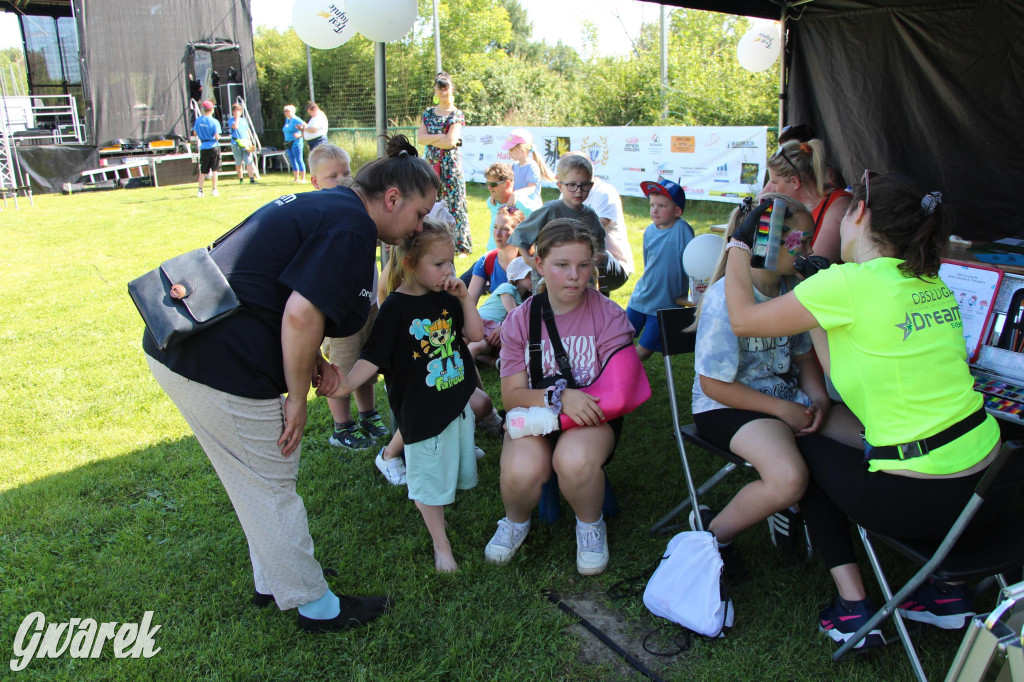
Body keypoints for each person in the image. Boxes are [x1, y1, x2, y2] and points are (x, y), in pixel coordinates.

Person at [142, 134, 438, 632]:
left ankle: (275, 578)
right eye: (419, 213)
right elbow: (300, 314)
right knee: (272, 480)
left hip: (187, 344)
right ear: (392, 198)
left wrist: (316, 358)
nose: (420, 226)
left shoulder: (332, 204)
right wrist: (297, 399)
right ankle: (313, 603)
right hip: (216, 361)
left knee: (252, 478)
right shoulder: (350, 227)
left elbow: (282, 292)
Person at [723, 172, 1002, 649]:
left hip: (924, 500)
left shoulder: (850, 283)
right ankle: (947, 595)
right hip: (987, 486)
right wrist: (815, 309)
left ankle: (854, 607)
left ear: (858, 214)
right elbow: (847, 385)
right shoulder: (929, 280)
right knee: (841, 436)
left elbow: (743, 320)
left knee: (802, 451)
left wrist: (735, 246)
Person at [689, 194, 863, 560]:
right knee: (788, 479)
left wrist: (816, 398)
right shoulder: (725, 298)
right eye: (802, 239)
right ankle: (711, 536)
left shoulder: (792, 290)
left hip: (789, 400)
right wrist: (783, 411)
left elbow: (803, 357)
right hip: (725, 405)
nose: (811, 248)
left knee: (873, 437)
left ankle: (828, 514)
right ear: (766, 241)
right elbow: (713, 385)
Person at [320, 220, 483, 572]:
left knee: (446, 474)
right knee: (427, 483)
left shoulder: (448, 296)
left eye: (451, 262)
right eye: (438, 264)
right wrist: (347, 384)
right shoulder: (395, 308)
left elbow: (474, 333)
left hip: (455, 405)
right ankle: (442, 546)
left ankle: (438, 517)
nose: (448, 270)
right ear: (410, 264)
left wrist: (464, 297)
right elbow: (373, 355)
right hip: (422, 415)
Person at [484, 219, 635, 576]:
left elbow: (621, 387)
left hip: (594, 416)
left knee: (575, 459)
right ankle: (516, 521)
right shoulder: (521, 320)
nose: (574, 276)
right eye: (562, 265)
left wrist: (577, 403)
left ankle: (589, 524)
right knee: (522, 469)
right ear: (539, 265)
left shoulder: (608, 314)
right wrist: (561, 397)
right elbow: (511, 397)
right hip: (538, 413)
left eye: (584, 265)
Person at [308, 144, 388, 451]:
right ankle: (341, 426)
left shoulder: (358, 208)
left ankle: (368, 414)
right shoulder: (321, 214)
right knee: (340, 368)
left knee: (367, 363)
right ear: (315, 182)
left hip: (367, 305)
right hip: (340, 312)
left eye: (346, 172)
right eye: (332, 176)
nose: (342, 179)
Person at [508, 154, 607, 291]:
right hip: (548, 280)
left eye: (583, 185)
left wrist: (593, 260)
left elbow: (600, 245)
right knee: (547, 310)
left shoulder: (590, 215)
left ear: (591, 186)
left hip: (580, 280)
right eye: (571, 185)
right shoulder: (550, 210)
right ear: (560, 186)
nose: (578, 191)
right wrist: (528, 259)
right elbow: (520, 234)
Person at [626, 178, 694, 360]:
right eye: (652, 205)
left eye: (662, 206)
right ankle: (613, 374)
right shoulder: (648, 231)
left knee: (644, 350)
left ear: (677, 211)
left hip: (665, 305)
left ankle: (625, 371)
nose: (654, 210)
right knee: (619, 340)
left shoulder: (683, 230)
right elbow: (649, 262)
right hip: (640, 299)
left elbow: (693, 263)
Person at [763, 139, 851, 263]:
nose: (774, 190)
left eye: (775, 183)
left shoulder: (838, 206)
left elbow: (814, 268)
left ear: (794, 182)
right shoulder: (793, 208)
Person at [418, 72, 471, 255]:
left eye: (445, 87)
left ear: (451, 89)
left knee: (454, 203)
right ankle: (431, 236)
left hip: (450, 166)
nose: (443, 91)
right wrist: (442, 136)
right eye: (439, 88)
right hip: (431, 163)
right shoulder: (428, 113)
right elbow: (420, 138)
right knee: (431, 200)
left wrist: (432, 139)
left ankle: (459, 245)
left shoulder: (456, 114)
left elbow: (451, 142)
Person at [468, 256, 532, 366]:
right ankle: (461, 372)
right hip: (480, 324)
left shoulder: (521, 299)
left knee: (478, 347)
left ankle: (493, 362)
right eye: (528, 274)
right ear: (516, 277)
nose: (532, 277)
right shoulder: (507, 288)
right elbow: (514, 315)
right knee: (469, 345)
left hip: (492, 331)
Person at [467, 205, 526, 305]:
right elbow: (470, 304)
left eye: (504, 228)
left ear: (518, 232)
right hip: (495, 320)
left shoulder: (530, 262)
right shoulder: (487, 261)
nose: (497, 234)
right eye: (495, 227)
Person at [482, 163, 533, 251]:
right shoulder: (491, 203)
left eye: (493, 184)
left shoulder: (522, 204)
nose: (489, 188)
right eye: (488, 183)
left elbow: (541, 225)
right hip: (492, 254)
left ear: (508, 184)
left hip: (514, 257)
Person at [502, 128, 555, 212]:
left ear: (521, 149)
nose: (509, 153)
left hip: (530, 209)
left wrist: (516, 194)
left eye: (511, 150)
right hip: (518, 207)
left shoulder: (531, 166)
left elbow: (531, 188)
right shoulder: (514, 166)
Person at [192, 100, 221, 198]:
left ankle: (200, 190)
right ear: (212, 109)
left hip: (203, 146)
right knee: (215, 169)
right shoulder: (214, 121)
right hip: (213, 146)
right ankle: (214, 189)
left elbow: (195, 133)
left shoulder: (199, 120)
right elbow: (217, 136)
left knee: (203, 170)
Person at [227, 103, 257, 185]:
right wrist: (236, 118)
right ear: (233, 112)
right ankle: (241, 179)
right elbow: (235, 127)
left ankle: (251, 179)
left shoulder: (244, 120)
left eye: (239, 111)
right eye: (235, 111)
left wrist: (250, 141)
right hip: (236, 143)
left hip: (245, 142)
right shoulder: (231, 120)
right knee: (238, 161)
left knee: (248, 161)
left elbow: (247, 131)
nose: (237, 112)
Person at [282, 104, 306, 183]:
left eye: (287, 111)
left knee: (299, 159)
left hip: (296, 143)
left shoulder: (296, 119)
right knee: (292, 160)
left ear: (293, 111)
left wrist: (300, 135)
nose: (286, 112)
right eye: (285, 111)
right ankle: (296, 178)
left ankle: (303, 178)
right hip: (288, 143)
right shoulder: (287, 120)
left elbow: (306, 126)